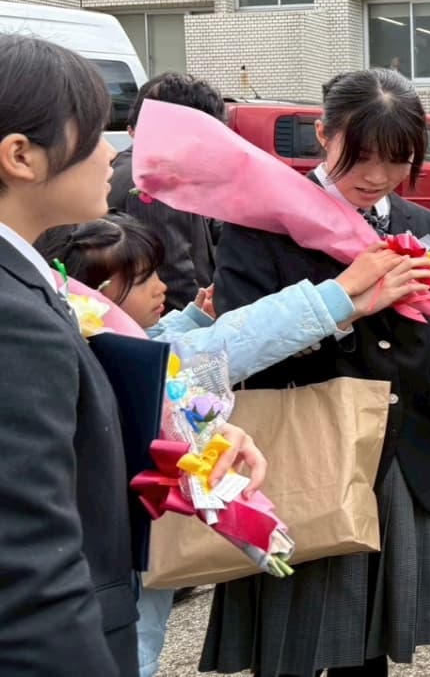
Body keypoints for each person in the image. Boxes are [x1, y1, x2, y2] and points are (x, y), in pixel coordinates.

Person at [36, 214, 430, 677]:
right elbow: (214, 349)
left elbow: (161, 344)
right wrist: (338, 295)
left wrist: (192, 318)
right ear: (95, 296)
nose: (162, 286)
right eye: (144, 280)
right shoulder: (100, 356)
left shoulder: (78, 336)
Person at [202, 68, 430, 677]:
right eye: (359, 156)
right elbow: (233, 352)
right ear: (323, 134)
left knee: (369, 655)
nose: (376, 176)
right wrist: (341, 308)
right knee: (289, 649)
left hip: (396, 465)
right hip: (299, 461)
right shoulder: (263, 222)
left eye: (397, 160)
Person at [0, 35, 255, 676]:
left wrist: (192, 434)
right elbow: (32, 566)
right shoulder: (14, 315)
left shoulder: (26, 280)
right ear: (20, 156)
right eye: (94, 135)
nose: (112, 152)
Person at [108, 73, 225, 312]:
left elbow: (209, 225)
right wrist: (199, 322)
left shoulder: (133, 163)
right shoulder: (153, 179)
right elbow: (172, 275)